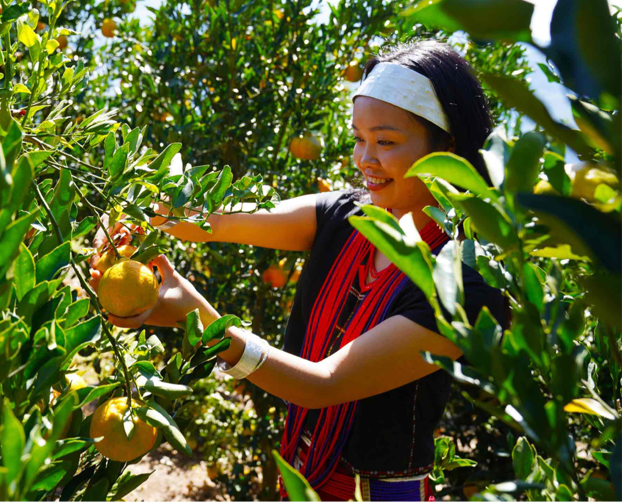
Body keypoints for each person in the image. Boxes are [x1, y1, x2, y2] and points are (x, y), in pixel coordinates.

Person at [96, 39, 509, 501]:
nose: (364, 160)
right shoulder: (346, 215)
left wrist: (200, 321)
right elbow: (209, 219)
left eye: (385, 142)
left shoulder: (465, 283)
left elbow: (323, 385)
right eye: (358, 138)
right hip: (298, 479)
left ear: (446, 147)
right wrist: (137, 222)